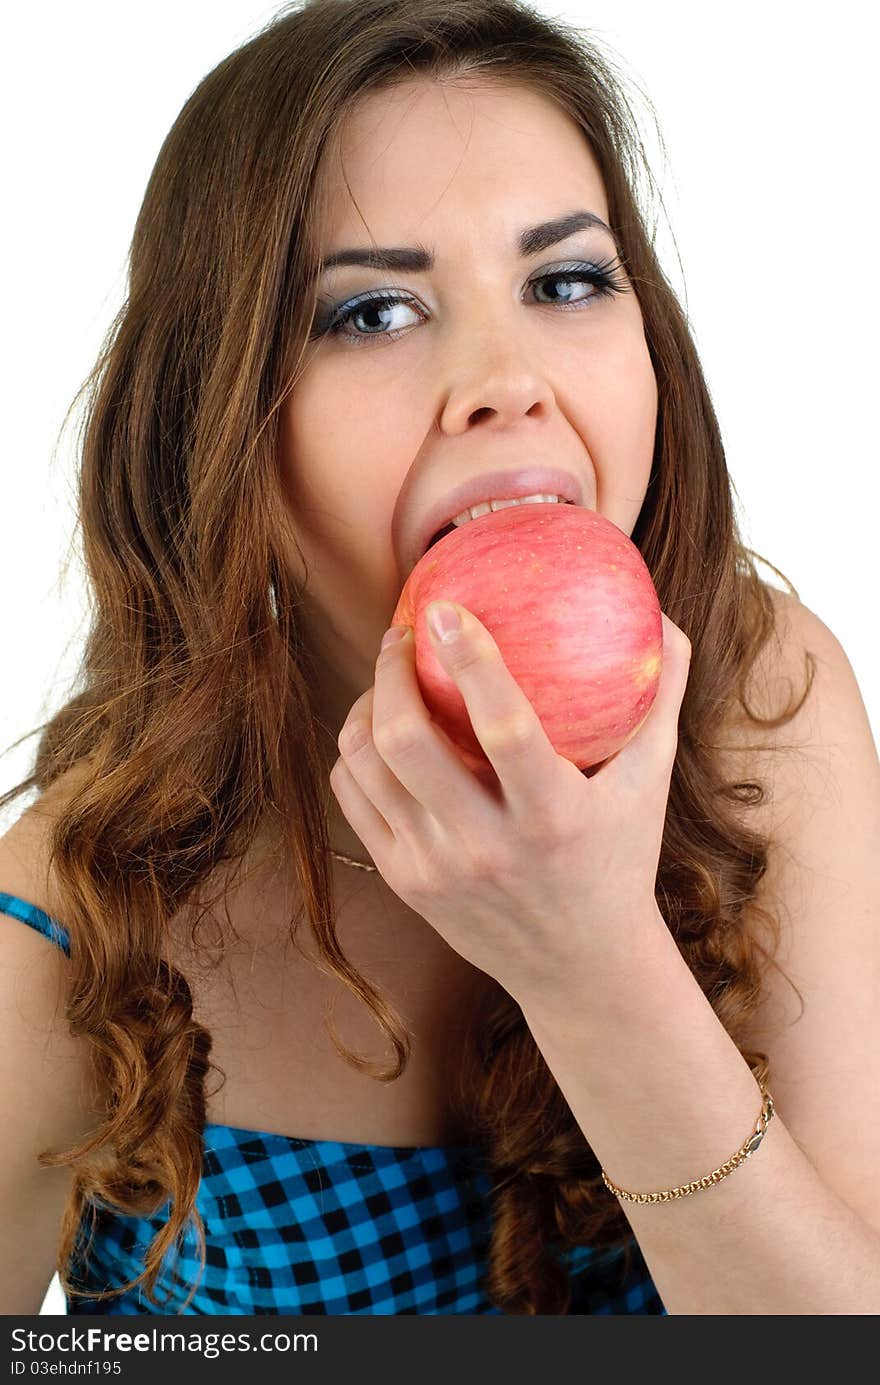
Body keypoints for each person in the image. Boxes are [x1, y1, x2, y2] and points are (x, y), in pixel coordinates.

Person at [2, 0, 878, 1317]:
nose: (503, 375)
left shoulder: (761, 701)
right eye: (371, 312)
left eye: (566, 281)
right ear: (218, 423)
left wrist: (597, 967)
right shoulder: (74, 925)